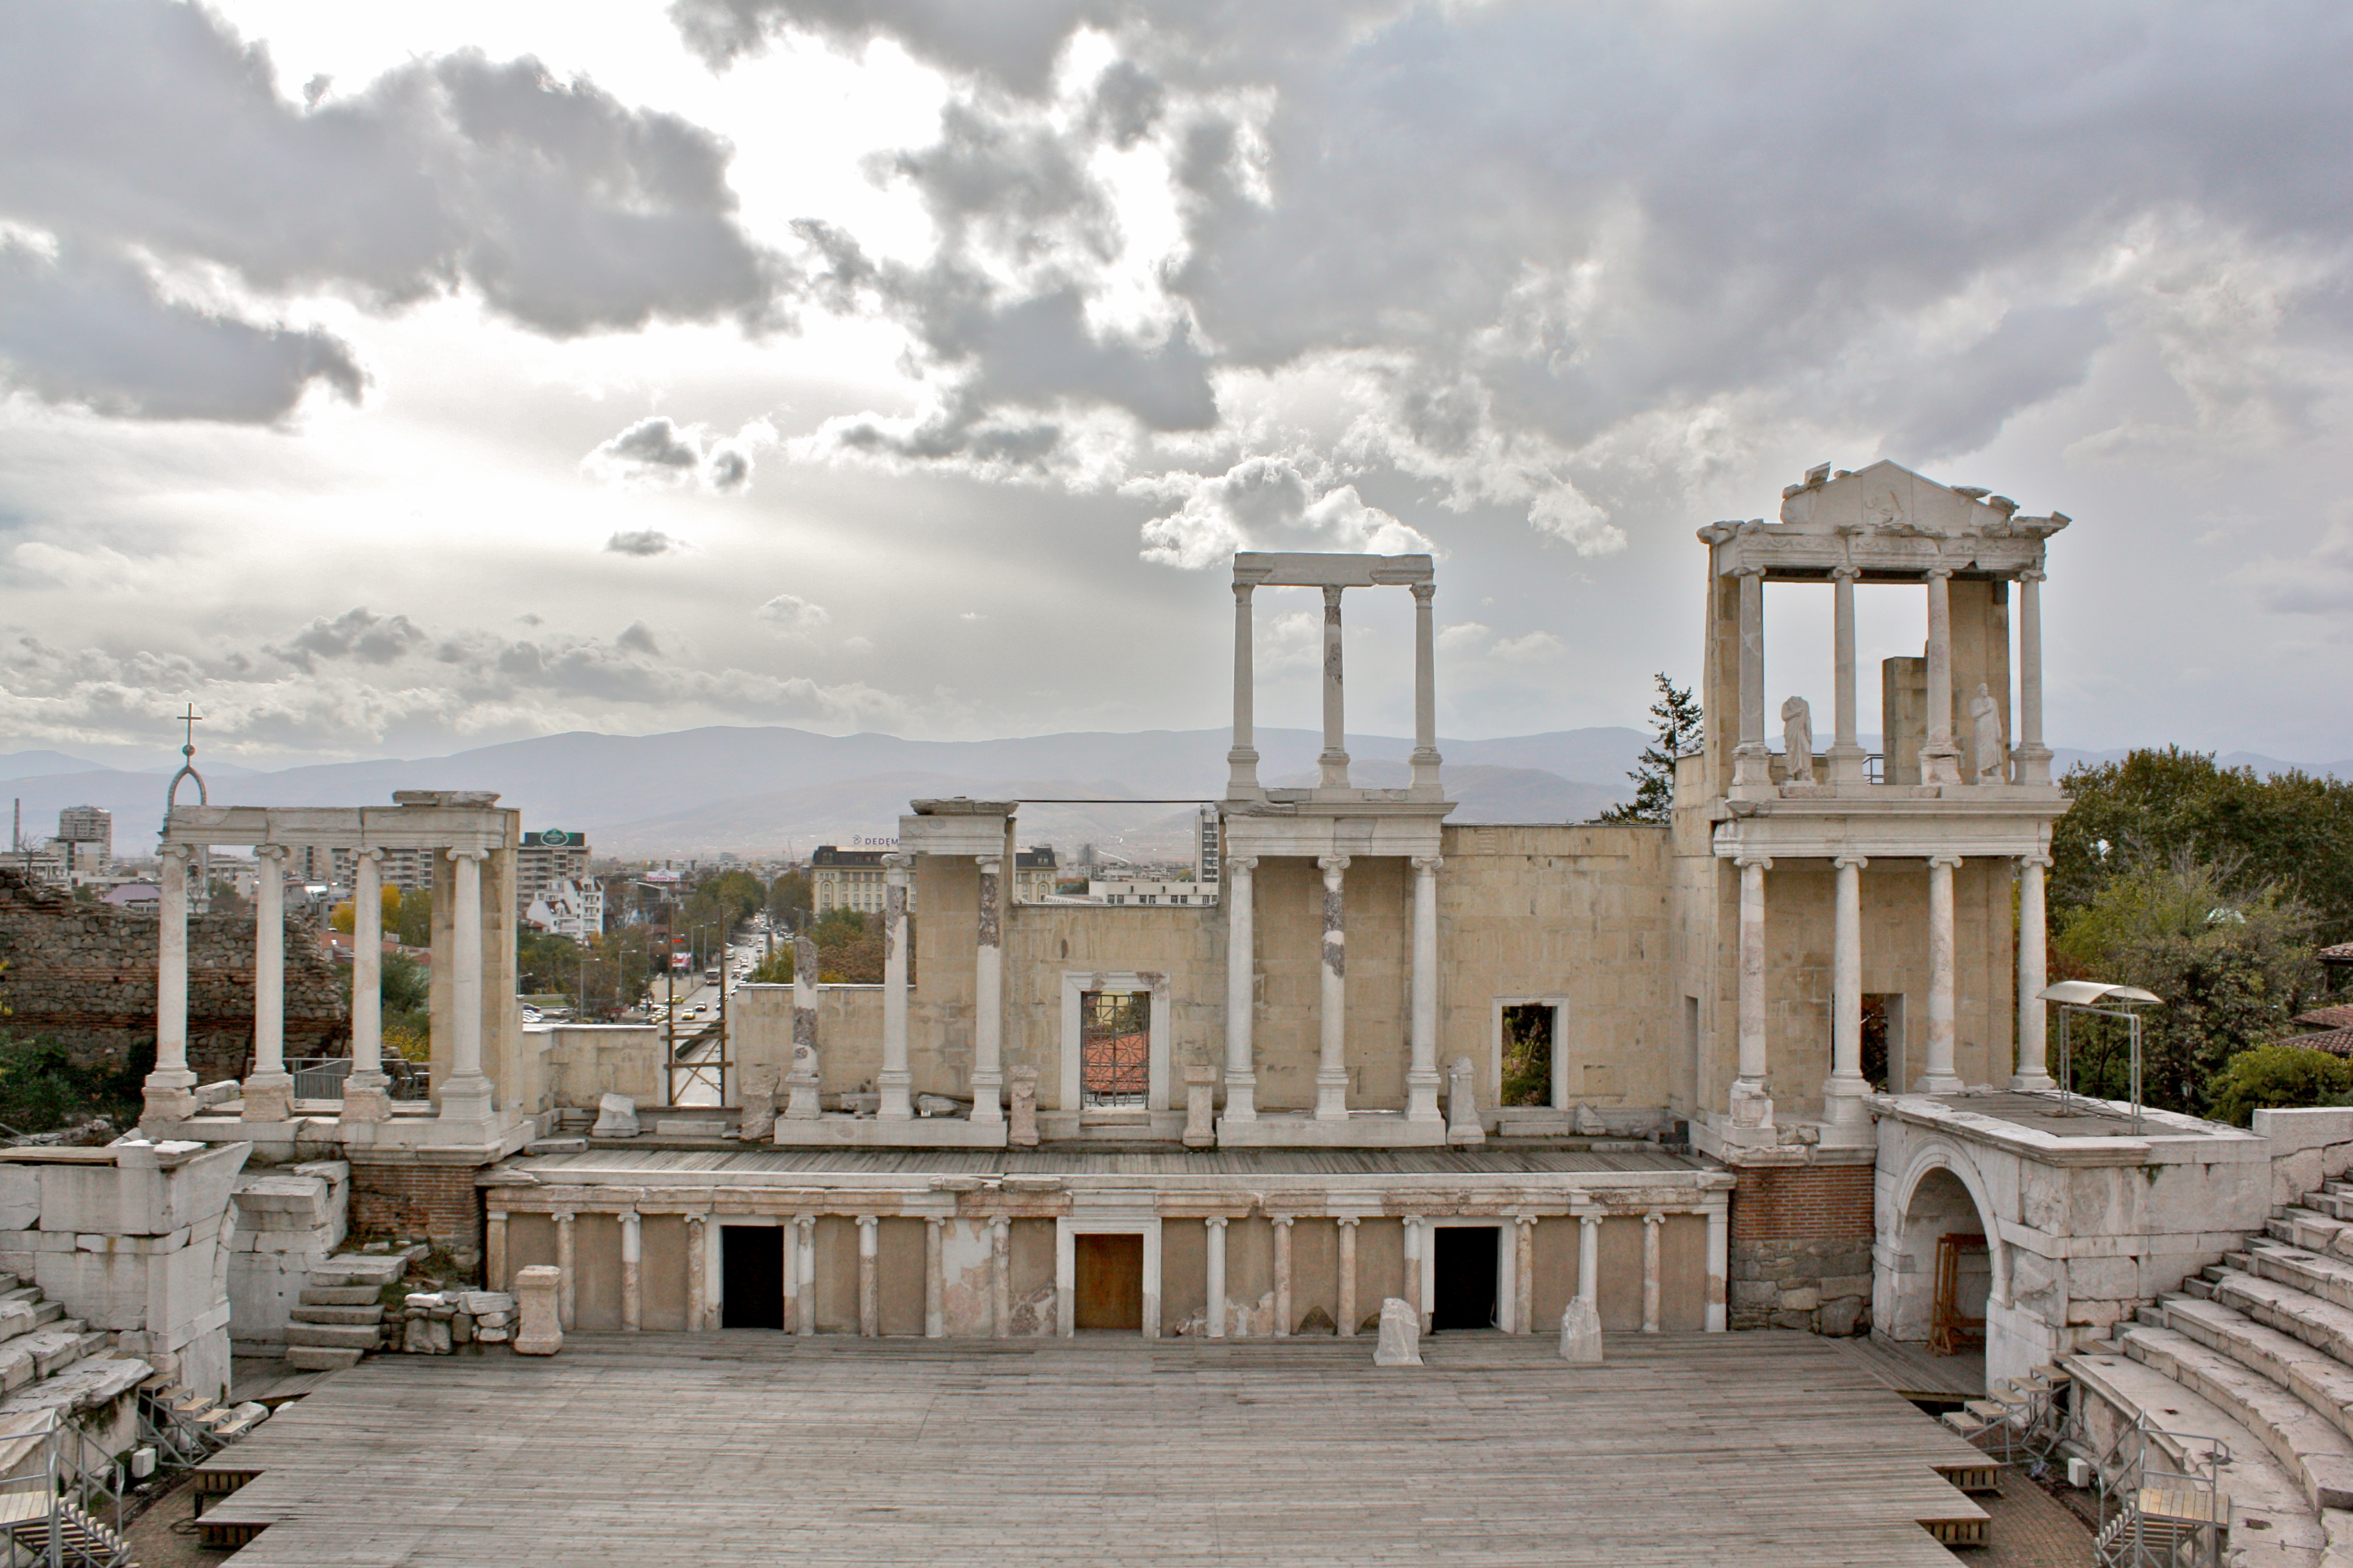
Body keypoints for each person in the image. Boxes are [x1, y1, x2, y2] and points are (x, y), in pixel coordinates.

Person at [1779, 695, 1815, 783]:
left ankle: (1806, 773)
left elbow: (1807, 718)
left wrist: (1809, 732)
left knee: (1806, 750)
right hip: (1791, 730)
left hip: (1801, 730)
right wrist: (1795, 713)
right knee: (1791, 751)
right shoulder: (1787, 704)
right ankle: (1791, 774)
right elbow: (1784, 716)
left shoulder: (1805, 704)